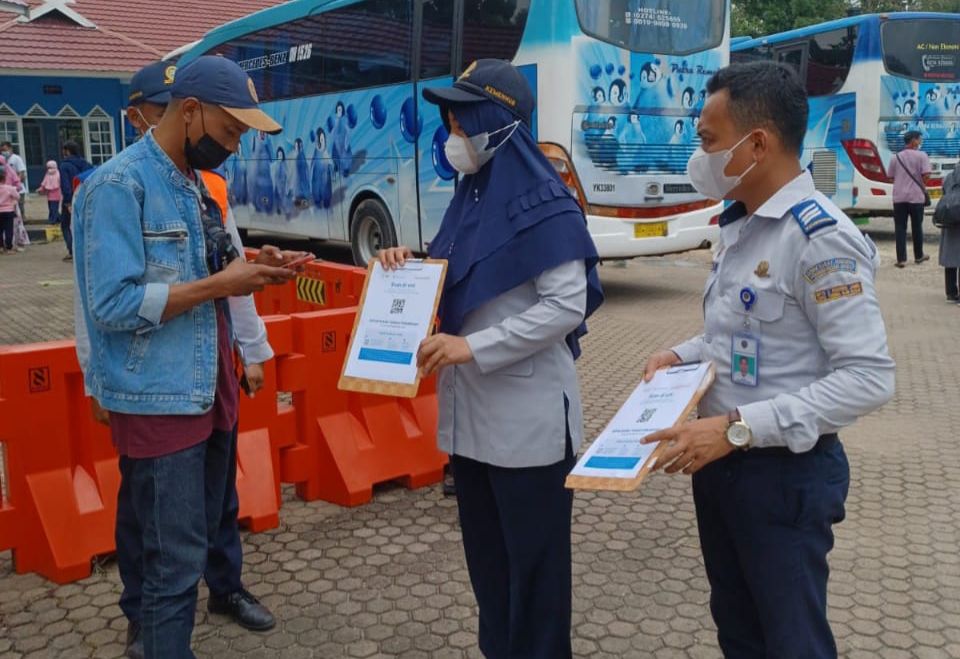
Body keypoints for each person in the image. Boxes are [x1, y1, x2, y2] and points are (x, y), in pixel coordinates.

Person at [641, 61, 895, 659]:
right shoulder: (741, 225)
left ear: (757, 144)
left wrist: (738, 428)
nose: (699, 155)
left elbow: (868, 377)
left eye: (708, 141)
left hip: (783, 477)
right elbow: (738, 341)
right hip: (721, 466)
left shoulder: (818, 237)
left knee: (792, 641)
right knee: (740, 630)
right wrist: (676, 354)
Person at [73, 55, 302, 659]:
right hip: (160, 399)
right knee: (170, 567)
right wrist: (221, 286)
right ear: (191, 111)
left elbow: (212, 272)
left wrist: (259, 269)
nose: (232, 147)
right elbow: (113, 304)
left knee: (197, 539)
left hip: (209, 387)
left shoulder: (194, 185)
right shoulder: (118, 187)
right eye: (229, 133)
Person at [380, 59, 603, 659]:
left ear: (496, 122)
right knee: (490, 573)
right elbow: (456, 279)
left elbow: (565, 306)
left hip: (528, 430)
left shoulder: (547, 204)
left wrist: (470, 348)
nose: (452, 135)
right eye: (448, 120)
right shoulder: (469, 199)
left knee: (535, 580)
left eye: (460, 119)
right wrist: (405, 267)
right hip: (471, 425)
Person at [888, 130, 931, 268]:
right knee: (917, 227)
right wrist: (920, 182)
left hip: (899, 198)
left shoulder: (895, 157)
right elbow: (926, 175)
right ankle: (919, 256)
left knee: (900, 228)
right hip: (916, 198)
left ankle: (901, 260)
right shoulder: (922, 156)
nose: (920, 142)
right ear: (913, 141)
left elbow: (890, 176)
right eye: (919, 139)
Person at [59, 140, 92, 261]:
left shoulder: (64, 165)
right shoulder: (85, 163)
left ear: (67, 151)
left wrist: (67, 201)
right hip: (86, 196)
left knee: (66, 225)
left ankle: (72, 250)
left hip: (72, 198)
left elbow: (65, 185)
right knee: (84, 224)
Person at [937, 162, 960, 301]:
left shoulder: (949, 176)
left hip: (950, 218)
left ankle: (951, 292)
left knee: (950, 255)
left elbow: (944, 191)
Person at [1, 141, 27, 220]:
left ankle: (22, 221)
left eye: (5, 149)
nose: (3, 152)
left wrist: (16, 184)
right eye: (2, 150)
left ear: (10, 148)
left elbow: (21, 172)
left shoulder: (16, 158)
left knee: (20, 206)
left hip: (17, 189)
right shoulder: (2, 160)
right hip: (6, 189)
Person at [0, 156, 19, 254]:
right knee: (8, 229)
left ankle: (1, 247)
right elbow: (17, 196)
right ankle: (9, 247)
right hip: (8, 211)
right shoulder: (9, 188)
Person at [38, 160, 62, 225]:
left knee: (53, 208)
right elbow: (44, 182)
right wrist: (41, 189)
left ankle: (52, 220)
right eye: (48, 168)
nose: (49, 169)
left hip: (56, 195)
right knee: (51, 208)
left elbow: (59, 183)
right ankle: (59, 218)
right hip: (49, 195)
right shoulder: (47, 174)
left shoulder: (58, 174)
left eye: (51, 167)